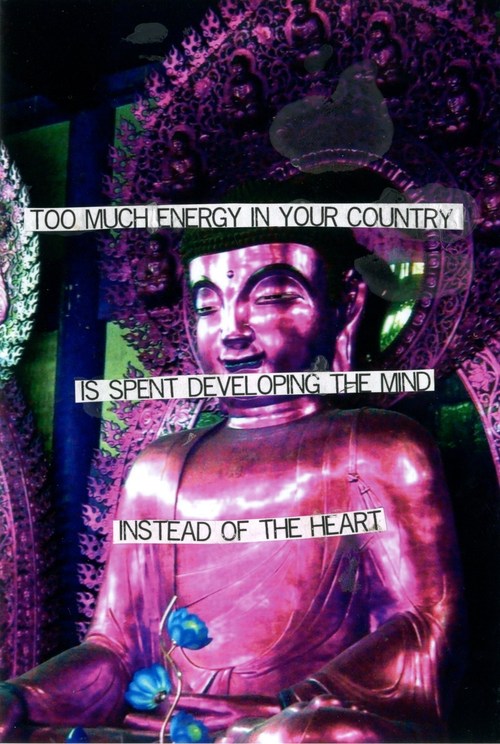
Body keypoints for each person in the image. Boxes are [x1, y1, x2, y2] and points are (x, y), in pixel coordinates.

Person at [0, 187, 463, 743]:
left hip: (296, 724)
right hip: (166, 731)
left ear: (346, 304)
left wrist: (286, 706)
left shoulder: (380, 446)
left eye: (271, 298)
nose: (232, 331)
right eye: (207, 306)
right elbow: (116, 649)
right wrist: (22, 696)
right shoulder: (161, 468)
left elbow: (423, 624)